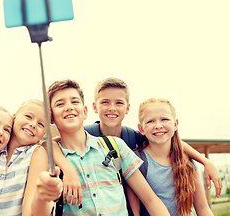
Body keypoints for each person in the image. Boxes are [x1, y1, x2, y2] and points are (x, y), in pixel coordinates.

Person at [48, 77, 222, 207]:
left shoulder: (132, 136)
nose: (112, 108)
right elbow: (52, 143)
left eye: (119, 103)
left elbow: (170, 140)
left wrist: (204, 161)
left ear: (127, 108)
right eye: (105, 102)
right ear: (94, 107)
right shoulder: (87, 134)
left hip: (132, 202)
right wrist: (68, 168)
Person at [42, 79, 170, 215]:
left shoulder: (115, 146)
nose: (69, 107)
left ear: (85, 111)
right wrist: (67, 168)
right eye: (60, 104)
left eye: (75, 101)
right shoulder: (48, 159)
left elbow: (150, 200)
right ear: (51, 117)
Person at [127, 98, 213, 216]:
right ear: (141, 129)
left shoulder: (188, 161)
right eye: (150, 121)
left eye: (164, 119)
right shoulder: (136, 162)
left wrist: (206, 162)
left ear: (175, 124)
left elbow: (202, 209)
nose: (158, 125)